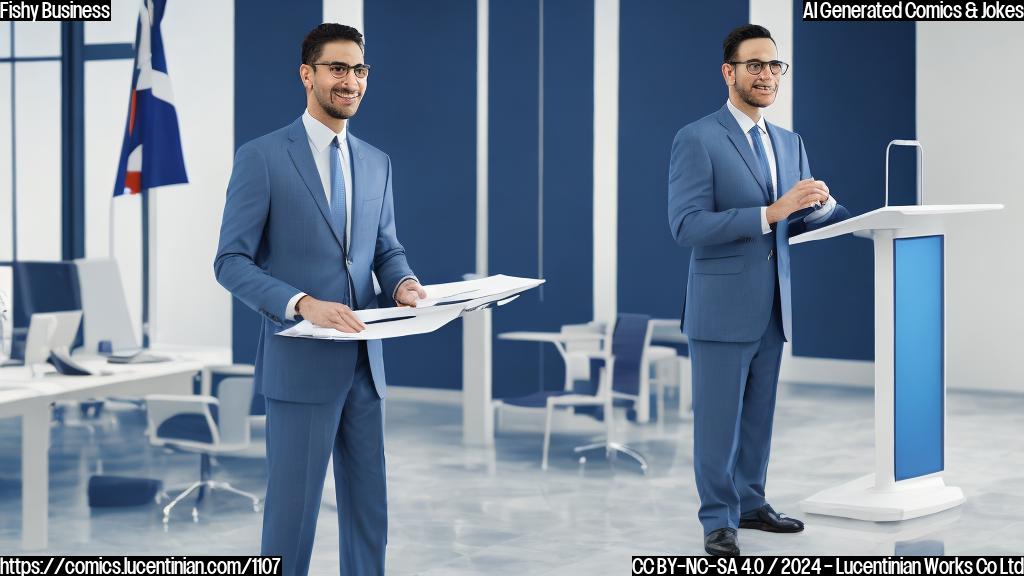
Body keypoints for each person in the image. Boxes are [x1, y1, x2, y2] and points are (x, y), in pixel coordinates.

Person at [214, 23, 425, 576]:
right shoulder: (262, 157)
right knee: (292, 518)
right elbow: (230, 262)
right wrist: (302, 302)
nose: (350, 81)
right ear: (307, 75)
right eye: (337, 68)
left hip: (365, 365)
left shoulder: (376, 161)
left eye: (359, 70)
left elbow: (386, 249)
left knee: (369, 514)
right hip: (300, 364)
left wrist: (402, 283)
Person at [667, 24, 850, 557]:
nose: (767, 74)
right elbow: (686, 225)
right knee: (717, 424)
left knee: (758, 420)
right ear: (729, 72)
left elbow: (798, 219)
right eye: (754, 65)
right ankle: (718, 520)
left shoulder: (790, 142)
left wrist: (824, 209)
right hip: (721, 306)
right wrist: (770, 212)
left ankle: (751, 503)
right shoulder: (698, 138)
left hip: (773, 305)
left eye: (774, 65)